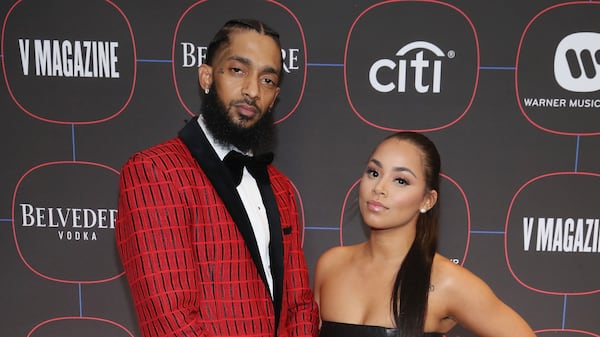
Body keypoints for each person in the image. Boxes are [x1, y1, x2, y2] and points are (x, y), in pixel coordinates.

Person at [115, 19, 319, 337]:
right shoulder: (154, 172)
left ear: (275, 96)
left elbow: (299, 306)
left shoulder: (280, 188)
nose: (252, 90)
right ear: (207, 76)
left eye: (267, 79)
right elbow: (170, 320)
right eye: (238, 70)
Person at [314, 132, 536, 337]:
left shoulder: (446, 281)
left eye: (400, 180)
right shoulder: (331, 265)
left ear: (426, 200)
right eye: (374, 172)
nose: (379, 187)